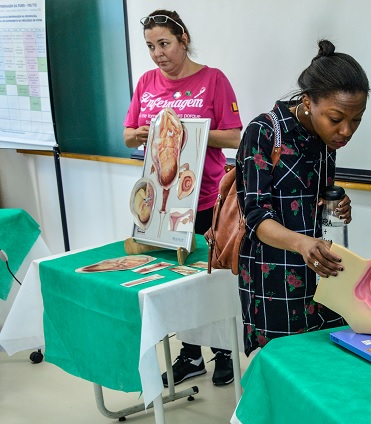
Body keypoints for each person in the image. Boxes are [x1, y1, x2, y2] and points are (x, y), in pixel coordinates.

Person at [123, 9, 243, 386]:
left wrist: (189, 132)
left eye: (164, 43)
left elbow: (236, 136)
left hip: (205, 198)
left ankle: (224, 353)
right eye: (150, 46)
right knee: (173, 281)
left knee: (210, 278)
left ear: (183, 39)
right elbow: (127, 135)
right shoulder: (145, 82)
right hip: (158, 203)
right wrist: (144, 133)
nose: (158, 53)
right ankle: (190, 354)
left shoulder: (213, 80)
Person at [236, 39, 369, 353]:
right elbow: (255, 216)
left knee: (325, 363)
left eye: (356, 120)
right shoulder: (265, 132)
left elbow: (314, 201)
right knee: (284, 364)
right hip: (275, 278)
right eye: (336, 119)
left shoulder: (325, 139)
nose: (346, 131)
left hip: (322, 274)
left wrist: (336, 206)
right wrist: (300, 243)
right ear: (308, 102)